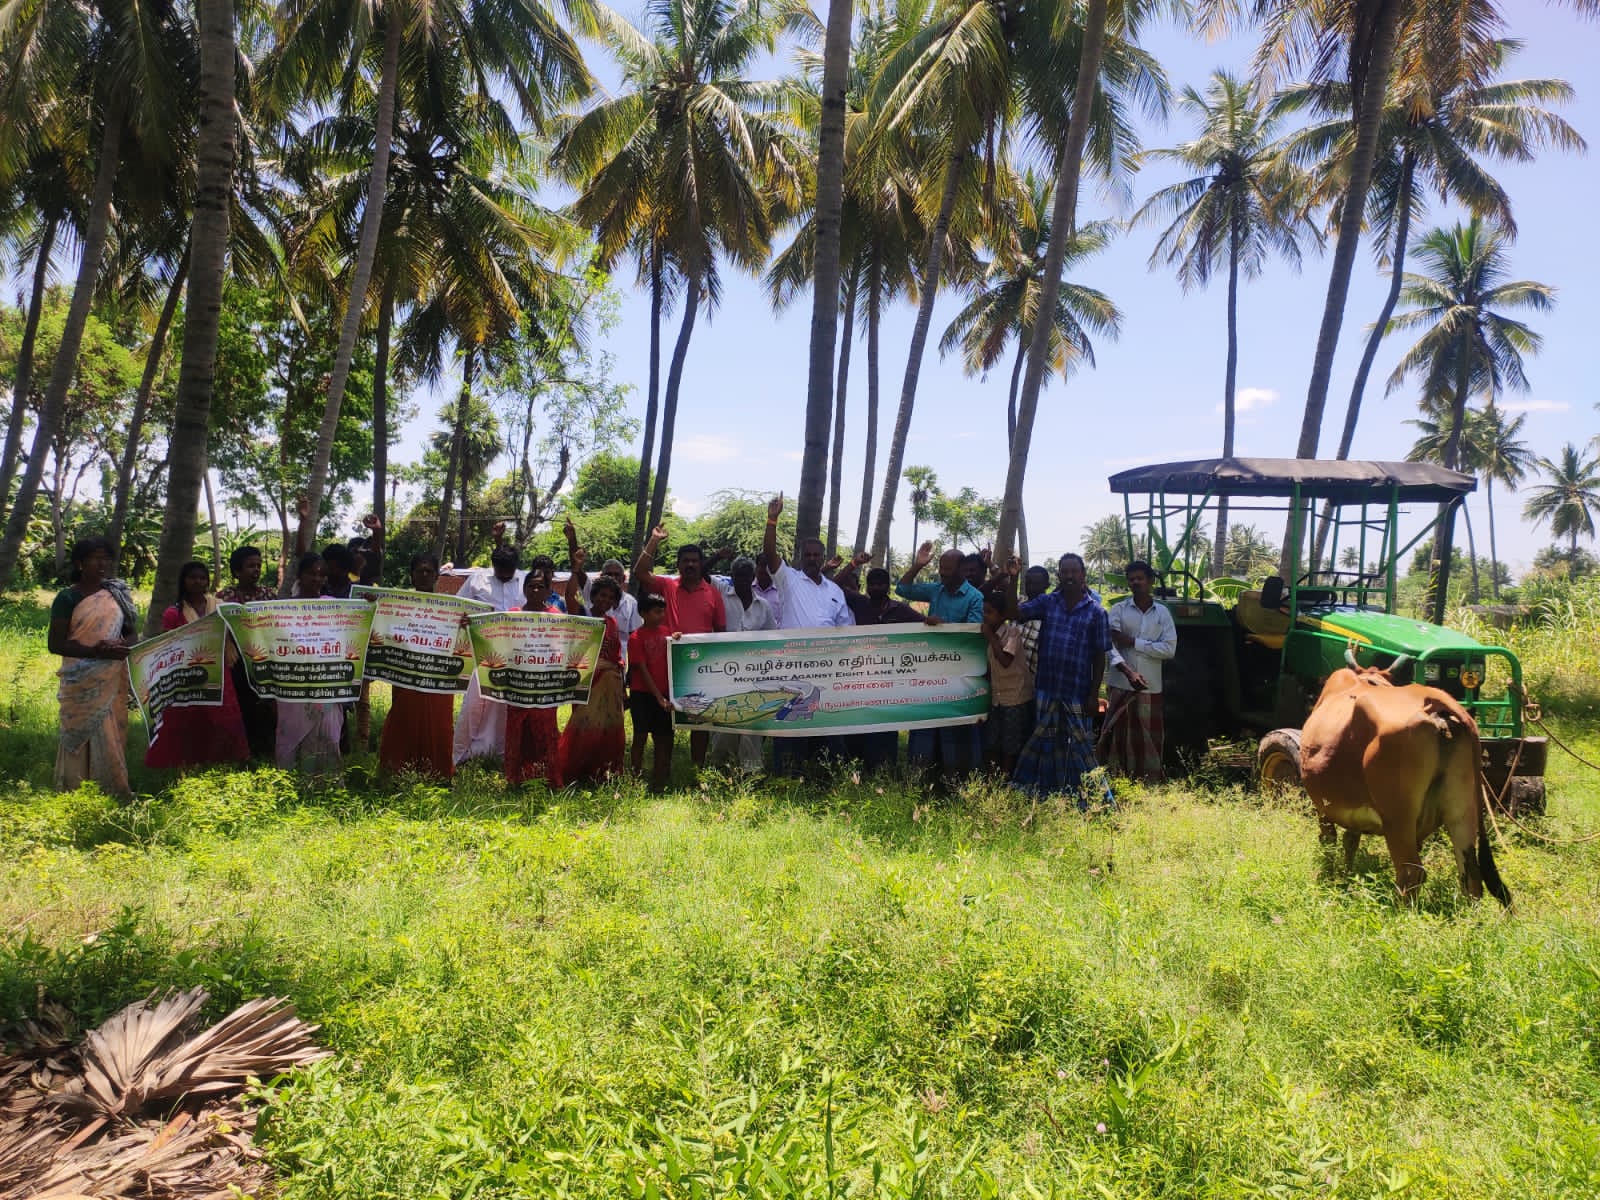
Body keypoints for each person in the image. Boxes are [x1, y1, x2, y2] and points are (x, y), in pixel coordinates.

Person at [1012, 553, 1114, 808]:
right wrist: (1012, 578)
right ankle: (1045, 793)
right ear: (1059, 575)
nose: (1069, 576)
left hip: (1077, 691)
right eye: (1064, 572)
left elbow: (1100, 656)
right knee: (1046, 742)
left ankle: (1095, 800)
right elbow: (1015, 612)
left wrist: (1093, 695)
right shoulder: (1048, 603)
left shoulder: (1096, 612)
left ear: (1083, 576)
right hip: (1047, 688)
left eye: (1073, 572)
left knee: (1079, 747)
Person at [762, 495, 854, 774]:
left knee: (826, 723)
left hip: (826, 670)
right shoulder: (788, 579)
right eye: (809, 555)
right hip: (792, 667)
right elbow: (769, 554)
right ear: (802, 557)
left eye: (817, 555)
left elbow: (846, 632)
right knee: (789, 722)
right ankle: (787, 774)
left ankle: (825, 775)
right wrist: (772, 520)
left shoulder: (835, 591)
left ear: (823, 557)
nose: (813, 559)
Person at [48, 536, 136, 799]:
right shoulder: (67, 598)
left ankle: (112, 788)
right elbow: (56, 643)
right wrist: (95, 651)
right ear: (79, 563)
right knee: (80, 728)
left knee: (109, 730)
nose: (102, 564)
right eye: (95, 558)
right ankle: (74, 788)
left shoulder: (117, 594)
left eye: (106, 558)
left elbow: (132, 634)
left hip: (111, 676)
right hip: (81, 677)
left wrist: (120, 646)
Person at [633, 525, 726, 768]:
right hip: (665, 666)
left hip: (701, 666)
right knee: (663, 721)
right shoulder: (667, 586)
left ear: (701, 563)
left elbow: (721, 631)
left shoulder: (713, 594)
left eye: (695, 561)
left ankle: (697, 768)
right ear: (678, 564)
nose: (691, 565)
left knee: (700, 718)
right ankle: (661, 770)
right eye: (685, 561)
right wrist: (654, 539)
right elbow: (641, 572)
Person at [144, 561, 249, 770]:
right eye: (192, 577)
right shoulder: (173, 613)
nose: (197, 582)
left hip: (220, 670)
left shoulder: (220, 607)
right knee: (192, 717)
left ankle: (226, 762)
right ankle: (189, 762)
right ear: (183, 581)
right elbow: (170, 644)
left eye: (202, 578)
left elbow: (238, 631)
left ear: (207, 581)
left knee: (223, 718)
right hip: (188, 674)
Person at [896, 540, 986, 781]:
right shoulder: (936, 589)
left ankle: (954, 781)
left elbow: (974, 632)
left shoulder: (975, 597)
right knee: (925, 725)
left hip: (958, 674)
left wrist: (943, 627)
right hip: (930, 670)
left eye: (948, 570)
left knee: (953, 730)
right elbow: (902, 589)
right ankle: (920, 779)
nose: (943, 574)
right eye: (941, 570)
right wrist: (917, 565)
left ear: (962, 569)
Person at [377, 553, 457, 780]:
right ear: (411, 576)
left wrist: (465, 624)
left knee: (439, 724)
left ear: (436, 576)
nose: (424, 575)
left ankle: (438, 774)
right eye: (419, 571)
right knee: (405, 719)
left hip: (438, 677)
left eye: (428, 571)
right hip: (407, 676)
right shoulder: (399, 605)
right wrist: (373, 605)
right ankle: (398, 771)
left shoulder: (449, 608)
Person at [453, 525, 525, 765]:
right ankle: (465, 753)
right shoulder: (478, 580)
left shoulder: (525, 582)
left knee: (507, 705)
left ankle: (504, 753)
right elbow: (458, 607)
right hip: (482, 654)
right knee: (476, 703)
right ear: (493, 566)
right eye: (500, 570)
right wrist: (463, 619)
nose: (504, 574)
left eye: (509, 570)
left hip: (515, 656)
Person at [1102, 560, 1178, 783]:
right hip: (1120, 684)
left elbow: (1169, 649)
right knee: (1118, 736)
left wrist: (1133, 642)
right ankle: (1118, 778)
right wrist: (1128, 670)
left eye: (1140, 578)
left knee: (1146, 737)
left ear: (1150, 581)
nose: (1135, 582)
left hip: (1150, 686)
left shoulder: (1162, 613)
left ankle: (1148, 780)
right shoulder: (1118, 610)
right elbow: (1110, 644)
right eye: (1132, 579)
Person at [842, 566, 920, 770]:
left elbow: (923, 624)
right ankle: (857, 767)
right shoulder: (860, 603)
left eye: (881, 584)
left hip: (888, 680)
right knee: (859, 722)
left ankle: (884, 767)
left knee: (886, 723)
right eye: (872, 584)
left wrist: (935, 622)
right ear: (866, 587)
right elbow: (834, 584)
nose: (876, 587)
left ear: (887, 586)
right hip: (859, 676)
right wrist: (851, 564)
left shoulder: (899, 609)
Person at [557, 560, 627, 785]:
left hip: (610, 683)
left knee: (606, 727)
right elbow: (569, 596)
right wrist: (575, 568)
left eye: (610, 597)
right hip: (587, 681)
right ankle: (574, 772)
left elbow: (616, 656)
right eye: (601, 595)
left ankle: (600, 772)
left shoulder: (613, 623)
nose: (605, 600)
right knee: (583, 725)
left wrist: (621, 682)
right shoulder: (583, 614)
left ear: (615, 601)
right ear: (593, 596)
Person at [276, 552, 344, 778]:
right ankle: (292, 786)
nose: (317, 579)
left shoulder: (332, 606)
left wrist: (370, 606)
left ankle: (326, 787)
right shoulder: (283, 610)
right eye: (311, 574)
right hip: (293, 685)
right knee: (292, 733)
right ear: (299, 575)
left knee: (328, 735)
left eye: (321, 575)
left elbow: (352, 632)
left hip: (325, 684)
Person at [707, 555, 777, 772]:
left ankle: (750, 770)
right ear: (732, 576)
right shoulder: (721, 596)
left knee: (752, 721)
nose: (743, 580)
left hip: (754, 674)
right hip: (723, 672)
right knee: (724, 719)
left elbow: (771, 639)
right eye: (738, 576)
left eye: (747, 575)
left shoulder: (763, 605)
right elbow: (702, 572)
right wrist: (719, 554)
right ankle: (721, 768)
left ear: (753, 576)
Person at [504, 556, 566, 786]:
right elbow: (496, 640)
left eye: (541, 586)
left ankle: (548, 779)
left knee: (545, 731)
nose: (536, 589)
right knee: (518, 731)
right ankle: (516, 778)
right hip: (518, 685)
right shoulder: (512, 615)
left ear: (549, 590)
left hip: (545, 686)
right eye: (531, 585)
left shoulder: (557, 617)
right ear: (524, 589)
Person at [217, 544, 277, 759]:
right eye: (250, 566)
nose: (256, 570)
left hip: (265, 660)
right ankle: (242, 752)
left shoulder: (269, 595)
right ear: (237, 571)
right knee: (243, 705)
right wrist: (228, 644)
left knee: (266, 704)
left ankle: (266, 750)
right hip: (237, 663)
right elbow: (217, 627)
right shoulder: (224, 597)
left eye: (258, 565)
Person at [563, 517, 640, 649]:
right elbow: (577, 568)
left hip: (619, 659)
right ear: (593, 596)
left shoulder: (630, 603)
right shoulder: (591, 597)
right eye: (609, 574)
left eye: (617, 575)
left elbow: (634, 634)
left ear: (623, 579)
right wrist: (572, 540)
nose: (613, 578)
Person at [981, 585, 1034, 775]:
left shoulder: (1012, 632)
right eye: (983, 612)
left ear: (1003, 615)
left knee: (1011, 742)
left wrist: (990, 637)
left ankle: (1006, 778)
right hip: (997, 695)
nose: (985, 616)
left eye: (990, 612)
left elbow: (1004, 661)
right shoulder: (986, 633)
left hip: (1015, 696)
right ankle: (994, 777)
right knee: (993, 738)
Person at [628, 593, 675, 791]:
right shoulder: (635, 638)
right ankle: (635, 778)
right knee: (640, 736)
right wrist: (659, 697)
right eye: (656, 612)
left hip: (664, 693)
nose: (661, 615)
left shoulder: (667, 633)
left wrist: (677, 640)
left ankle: (660, 780)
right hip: (642, 695)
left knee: (663, 737)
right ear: (643, 613)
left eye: (662, 611)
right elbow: (643, 670)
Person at [352, 515, 384, 748]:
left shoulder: (372, 587)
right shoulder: (338, 583)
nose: (360, 558)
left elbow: (375, 552)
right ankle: (340, 739)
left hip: (363, 649)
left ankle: (362, 743)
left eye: (364, 554)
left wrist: (376, 532)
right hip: (338, 648)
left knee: (362, 700)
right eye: (356, 554)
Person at [1017, 565, 1050, 677]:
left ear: (1047, 585)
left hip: (1036, 677)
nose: (1031, 587)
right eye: (1028, 583)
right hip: (1013, 674)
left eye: (1036, 584)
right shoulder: (1019, 602)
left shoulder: (1052, 610)